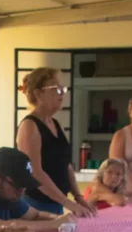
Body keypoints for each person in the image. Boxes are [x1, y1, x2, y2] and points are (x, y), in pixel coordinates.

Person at [16, 68, 97, 217]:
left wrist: (78, 198)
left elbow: (66, 165)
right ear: (39, 94)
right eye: (56, 89)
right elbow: (35, 172)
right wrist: (68, 203)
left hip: (56, 204)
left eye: (62, 89)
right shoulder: (29, 126)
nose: (62, 94)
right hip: (35, 205)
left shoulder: (55, 123)